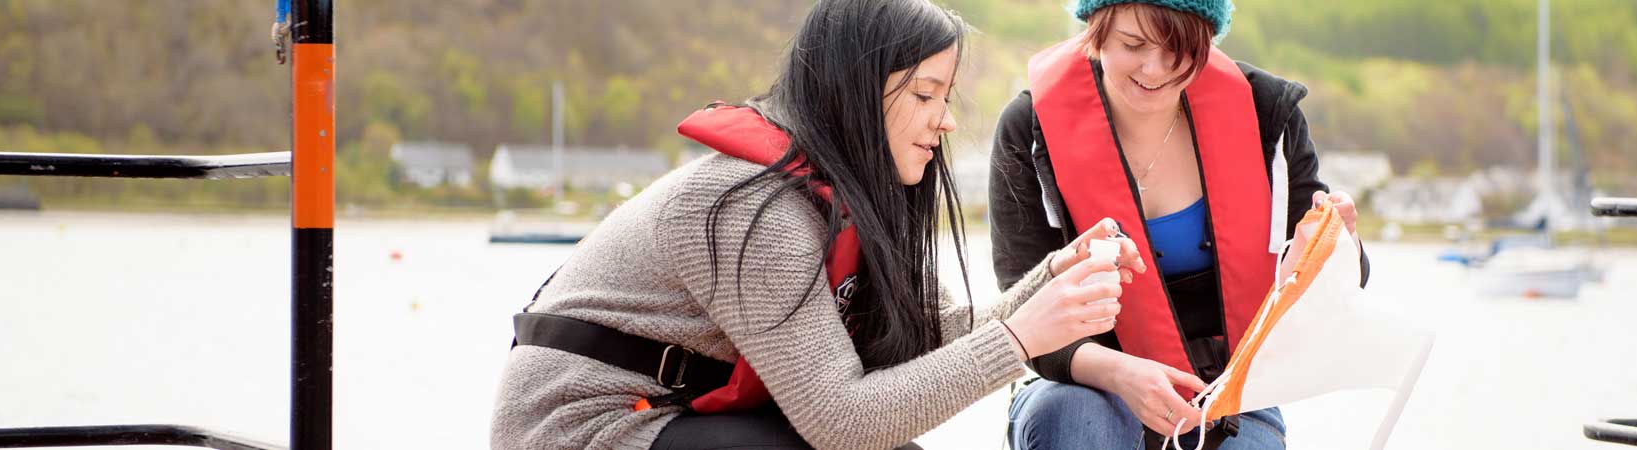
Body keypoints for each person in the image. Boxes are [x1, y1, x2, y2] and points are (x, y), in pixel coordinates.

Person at [492, 1, 1147, 449]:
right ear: (858, 90)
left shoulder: (856, 200)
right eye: (925, 95)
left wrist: (1052, 278)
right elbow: (840, 419)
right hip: (586, 429)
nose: (945, 121)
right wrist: (1021, 337)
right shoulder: (753, 207)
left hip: (673, 419)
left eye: (945, 98)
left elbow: (930, 335)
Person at [990, 1, 1371, 449]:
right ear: (1096, 29)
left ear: (1207, 41)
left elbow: (1339, 285)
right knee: (1076, 420)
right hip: (1080, 382)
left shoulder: (1269, 116)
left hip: (1228, 394)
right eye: (1133, 45)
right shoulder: (1028, 128)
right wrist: (1120, 374)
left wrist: (1340, 244)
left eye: (1178, 50)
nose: (1154, 69)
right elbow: (1021, 308)